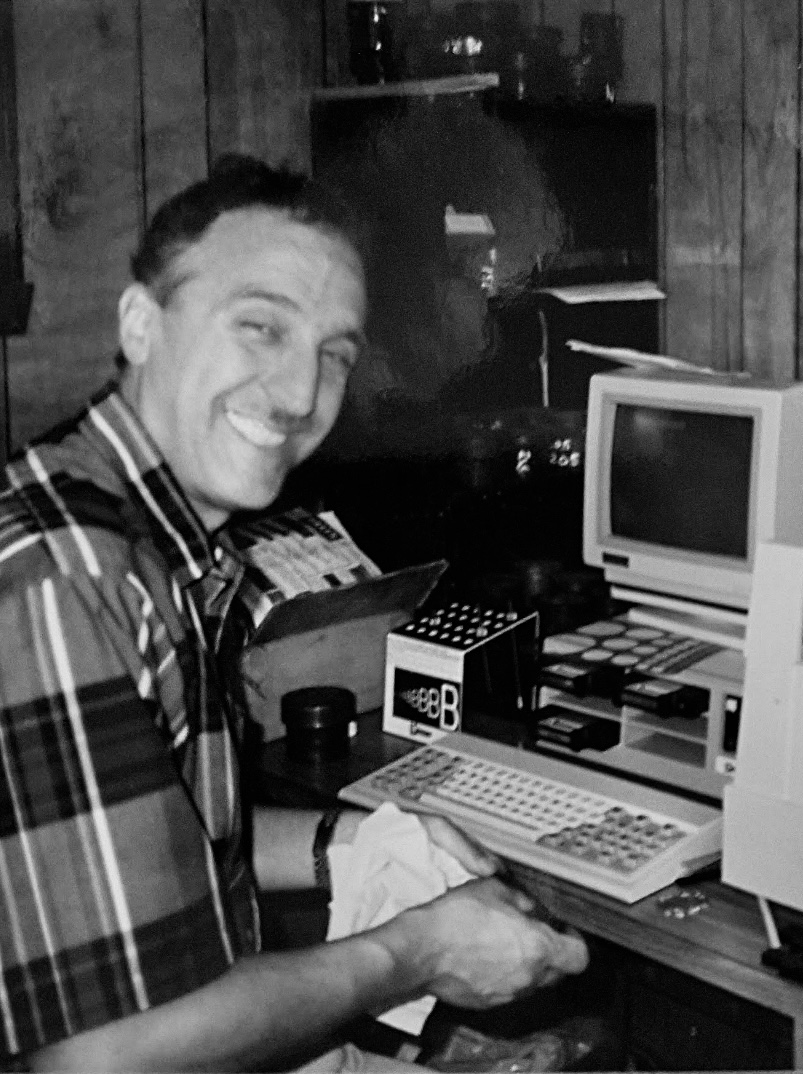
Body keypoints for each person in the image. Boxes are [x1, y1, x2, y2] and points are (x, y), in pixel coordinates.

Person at [0, 155, 588, 1073]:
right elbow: (103, 1059)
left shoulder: (145, 538)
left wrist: (350, 839)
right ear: (140, 324)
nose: (300, 394)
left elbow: (148, 841)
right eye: (260, 328)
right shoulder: (68, 573)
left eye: (333, 354)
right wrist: (418, 952)